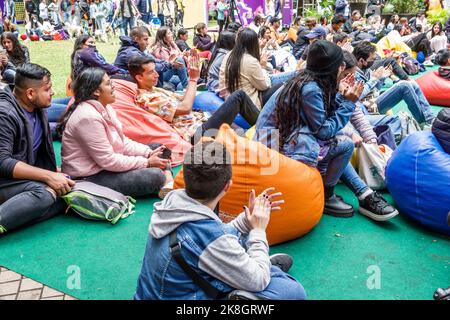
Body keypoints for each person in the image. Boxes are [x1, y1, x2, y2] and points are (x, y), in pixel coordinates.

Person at [134, 140, 306, 300]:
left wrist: (246, 221)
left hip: (150, 295)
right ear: (228, 186)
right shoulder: (210, 236)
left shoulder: (172, 202)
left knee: (242, 239)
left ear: (185, 178)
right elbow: (257, 280)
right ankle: (249, 281)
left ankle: (258, 265)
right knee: (292, 291)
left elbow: (212, 239)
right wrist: (258, 229)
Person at [256, 40, 381, 218]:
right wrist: (348, 103)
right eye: (341, 65)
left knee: (337, 143)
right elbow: (323, 130)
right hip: (272, 148)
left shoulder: (308, 80)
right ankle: (328, 195)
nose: (343, 68)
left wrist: (340, 98)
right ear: (333, 68)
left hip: (276, 139)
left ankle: (356, 192)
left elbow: (321, 119)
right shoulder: (311, 89)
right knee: (344, 145)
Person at [59, 67, 173, 199]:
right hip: (89, 176)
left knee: (160, 148)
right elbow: (108, 161)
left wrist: (147, 153)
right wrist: (146, 162)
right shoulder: (88, 117)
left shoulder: (105, 108)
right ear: (96, 91)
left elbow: (122, 142)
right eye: (108, 84)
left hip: (107, 164)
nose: (113, 87)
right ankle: (166, 181)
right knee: (155, 176)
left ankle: (168, 182)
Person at [0, 63, 74, 234]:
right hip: (4, 181)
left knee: (66, 192)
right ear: (31, 93)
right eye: (47, 89)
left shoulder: (36, 107)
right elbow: (2, 162)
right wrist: (48, 176)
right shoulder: (5, 114)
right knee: (43, 194)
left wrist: (54, 173)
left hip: (19, 181)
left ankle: (19, 216)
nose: (53, 92)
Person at [130, 53, 260, 144]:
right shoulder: (146, 99)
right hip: (195, 133)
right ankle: (266, 126)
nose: (157, 74)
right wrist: (193, 79)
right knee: (238, 96)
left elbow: (184, 99)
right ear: (139, 78)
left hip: (201, 120)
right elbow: (185, 108)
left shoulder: (155, 90)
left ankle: (262, 135)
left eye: (155, 70)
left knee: (240, 131)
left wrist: (191, 75)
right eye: (151, 72)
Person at [353, 41, 435, 126]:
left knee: (412, 83)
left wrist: (382, 78)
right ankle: (424, 122)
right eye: (371, 59)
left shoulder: (366, 69)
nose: (373, 62)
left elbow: (375, 90)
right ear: (361, 60)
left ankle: (430, 118)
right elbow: (356, 96)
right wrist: (374, 79)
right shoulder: (352, 73)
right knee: (404, 85)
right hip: (366, 108)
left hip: (373, 100)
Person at [218, 28, 296, 109]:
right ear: (254, 43)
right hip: (249, 105)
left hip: (231, 98)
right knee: (285, 85)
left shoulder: (229, 55)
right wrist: (262, 67)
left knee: (292, 75)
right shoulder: (250, 61)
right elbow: (264, 86)